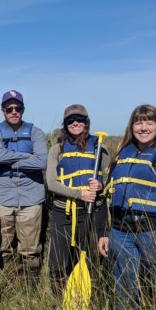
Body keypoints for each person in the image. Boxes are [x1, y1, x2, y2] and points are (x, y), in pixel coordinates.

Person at [97, 105, 156, 310]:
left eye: (149, 122)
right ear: (132, 126)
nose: (143, 127)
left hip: (155, 231)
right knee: (124, 283)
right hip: (120, 231)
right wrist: (104, 232)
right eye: (138, 122)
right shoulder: (121, 154)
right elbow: (106, 195)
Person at [45, 104, 108, 294]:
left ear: (86, 122)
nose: (75, 123)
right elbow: (51, 183)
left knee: (92, 261)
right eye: (70, 120)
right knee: (57, 264)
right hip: (62, 212)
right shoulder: (57, 149)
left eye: (79, 119)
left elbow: (108, 177)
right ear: (65, 124)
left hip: (90, 213)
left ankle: (90, 300)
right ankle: (59, 304)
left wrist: (101, 185)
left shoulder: (99, 148)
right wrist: (79, 194)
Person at [0, 90, 47, 280]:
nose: (14, 112)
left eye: (17, 108)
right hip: (3, 197)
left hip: (31, 197)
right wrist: (26, 157)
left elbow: (42, 162)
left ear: (22, 109)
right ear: (3, 110)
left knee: (30, 249)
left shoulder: (35, 132)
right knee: (3, 246)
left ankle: (30, 286)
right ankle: (6, 282)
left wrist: (10, 159)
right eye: (9, 108)